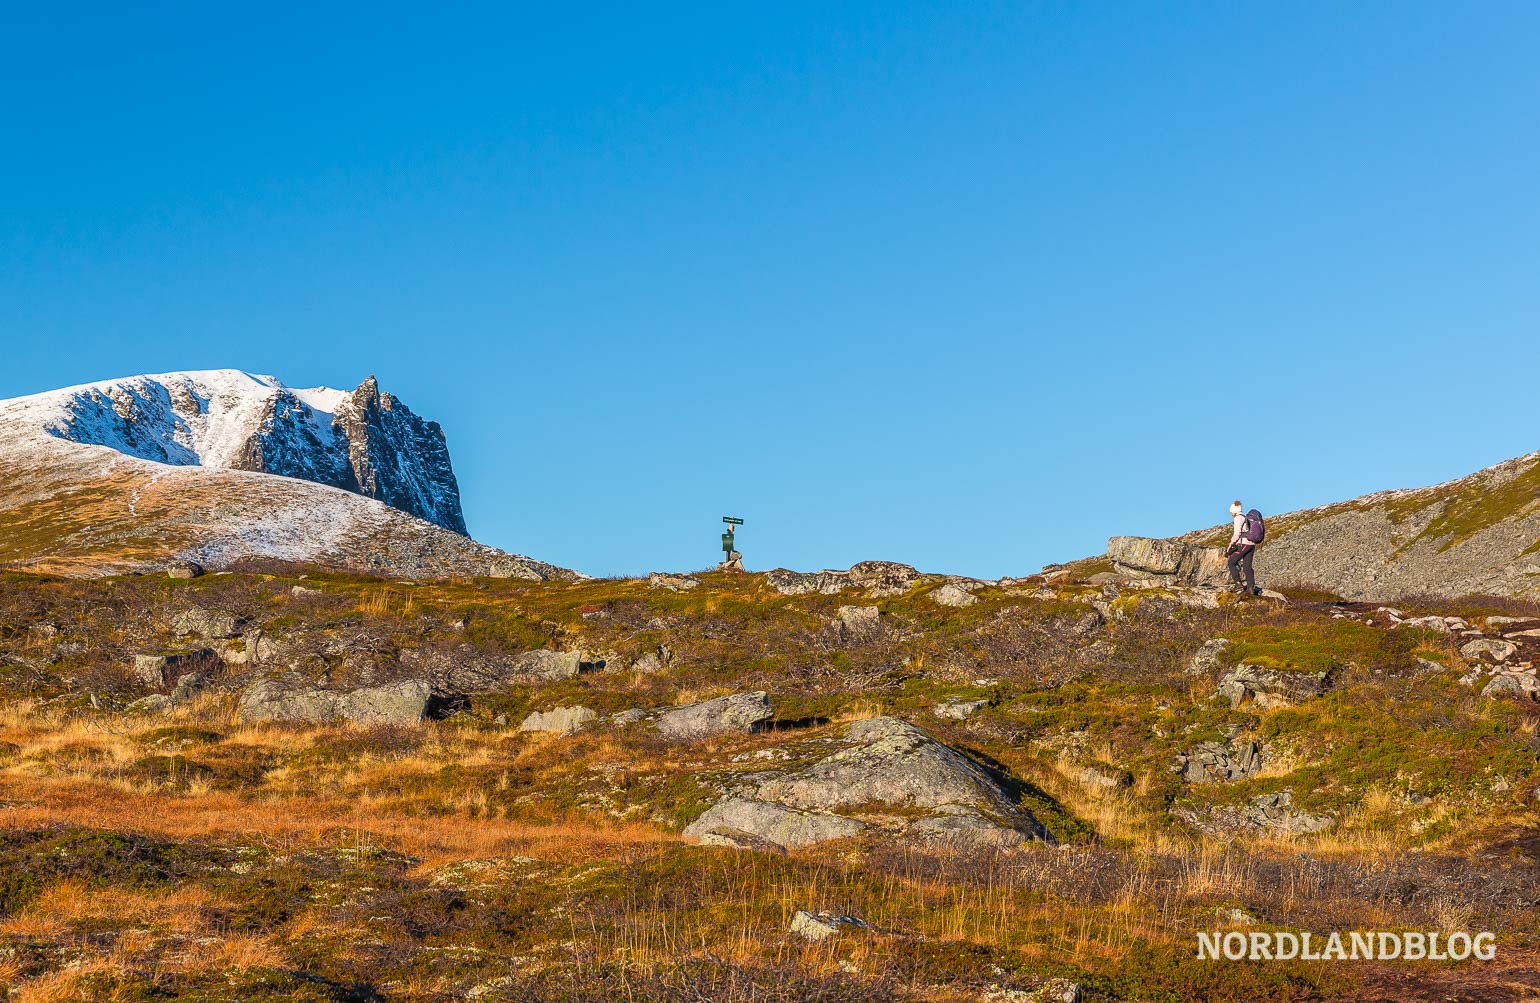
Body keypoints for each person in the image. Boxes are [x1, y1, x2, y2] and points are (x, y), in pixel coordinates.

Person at [1226, 500, 1260, 595]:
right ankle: (1250, 588)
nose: (1231, 513)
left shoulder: (1238, 518)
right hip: (1251, 545)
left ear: (1234, 510)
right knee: (1247, 567)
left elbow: (1237, 534)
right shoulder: (1246, 518)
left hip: (1243, 544)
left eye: (1231, 511)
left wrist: (1231, 543)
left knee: (1231, 562)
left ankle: (1238, 584)